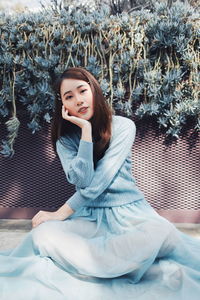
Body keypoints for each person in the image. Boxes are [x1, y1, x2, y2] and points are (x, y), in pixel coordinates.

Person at [0, 67, 200, 300]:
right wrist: (85, 133)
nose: (79, 100)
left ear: (94, 90)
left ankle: (100, 264)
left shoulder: (124, 127)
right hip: (89, 217)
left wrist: (60, 213)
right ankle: (120, 264)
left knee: (160, 230)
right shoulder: (65, 141)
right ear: (63, 106)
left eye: (82, 90)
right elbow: (82, 180)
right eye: (69, 97)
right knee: (43, 234)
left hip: (130, 215)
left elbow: (99, 183)